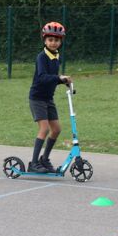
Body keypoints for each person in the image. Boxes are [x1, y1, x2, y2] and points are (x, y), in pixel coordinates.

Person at [28, 22, 72, 173]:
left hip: (48, 98)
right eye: (50, 39)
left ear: (61, 41)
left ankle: (44, 159)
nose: (53, 43)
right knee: (45, 128)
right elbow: (42, 77)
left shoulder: (57, 56)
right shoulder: (42, 57)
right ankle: (34, 163)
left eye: (57, 40)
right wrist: (59, 78)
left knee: (56, 129)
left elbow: (51, 78)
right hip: (37, 98)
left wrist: (63, 81)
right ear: (45, 40)